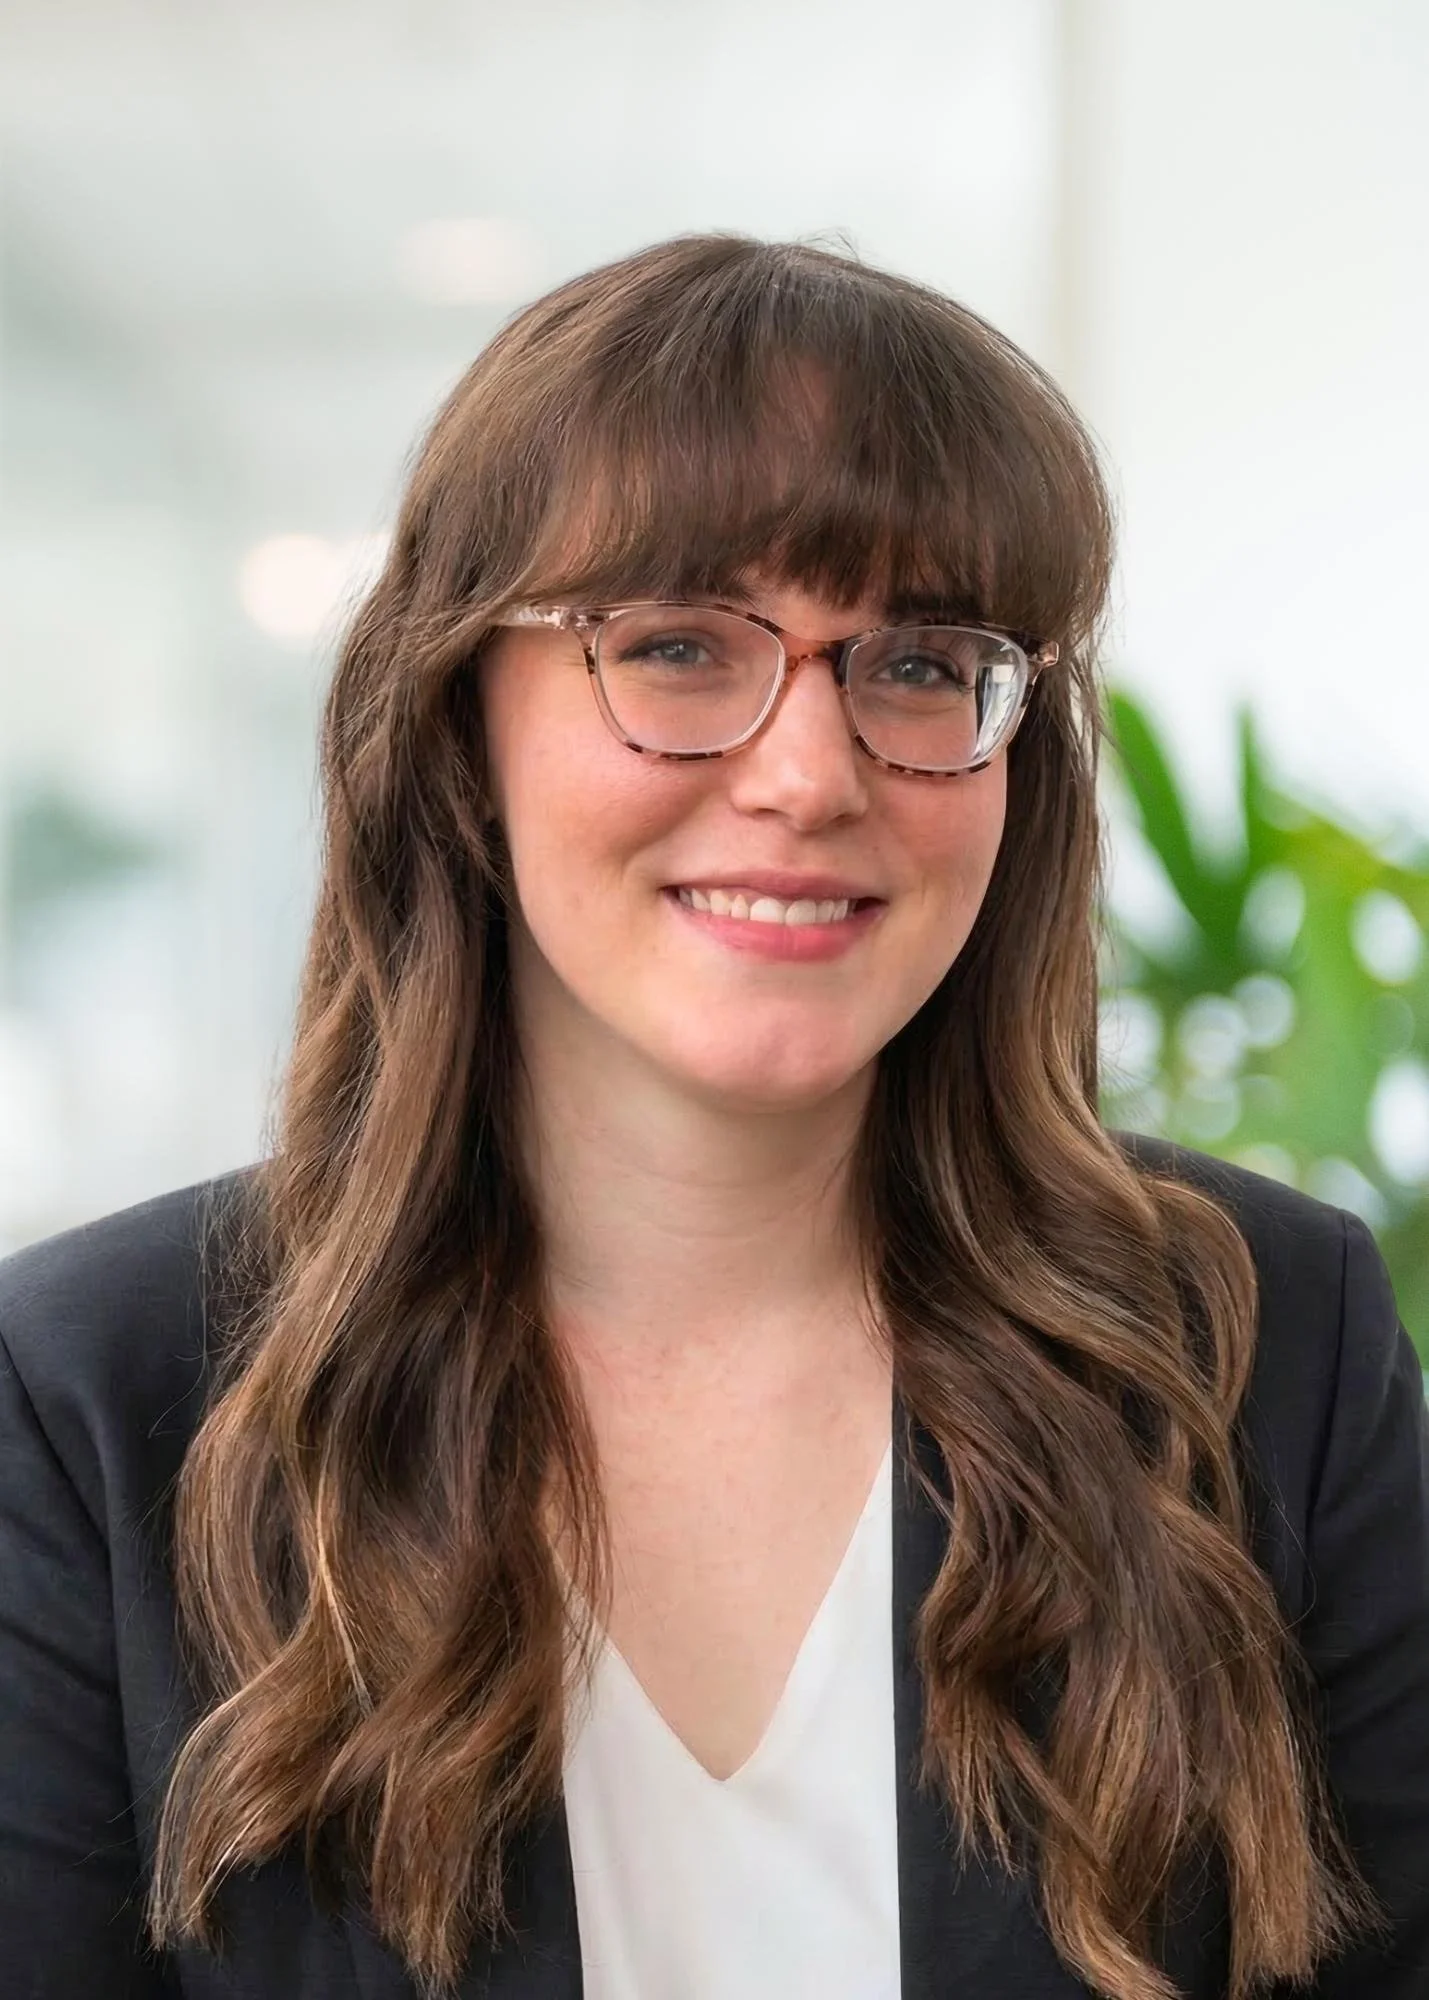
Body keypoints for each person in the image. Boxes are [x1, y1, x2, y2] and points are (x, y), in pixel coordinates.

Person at [0, 233, 1425, 2000]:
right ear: (457, 727)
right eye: (677, 646)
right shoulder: (93, 1392)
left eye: (918, 664)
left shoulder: (1268, 1349)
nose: (812, 776)